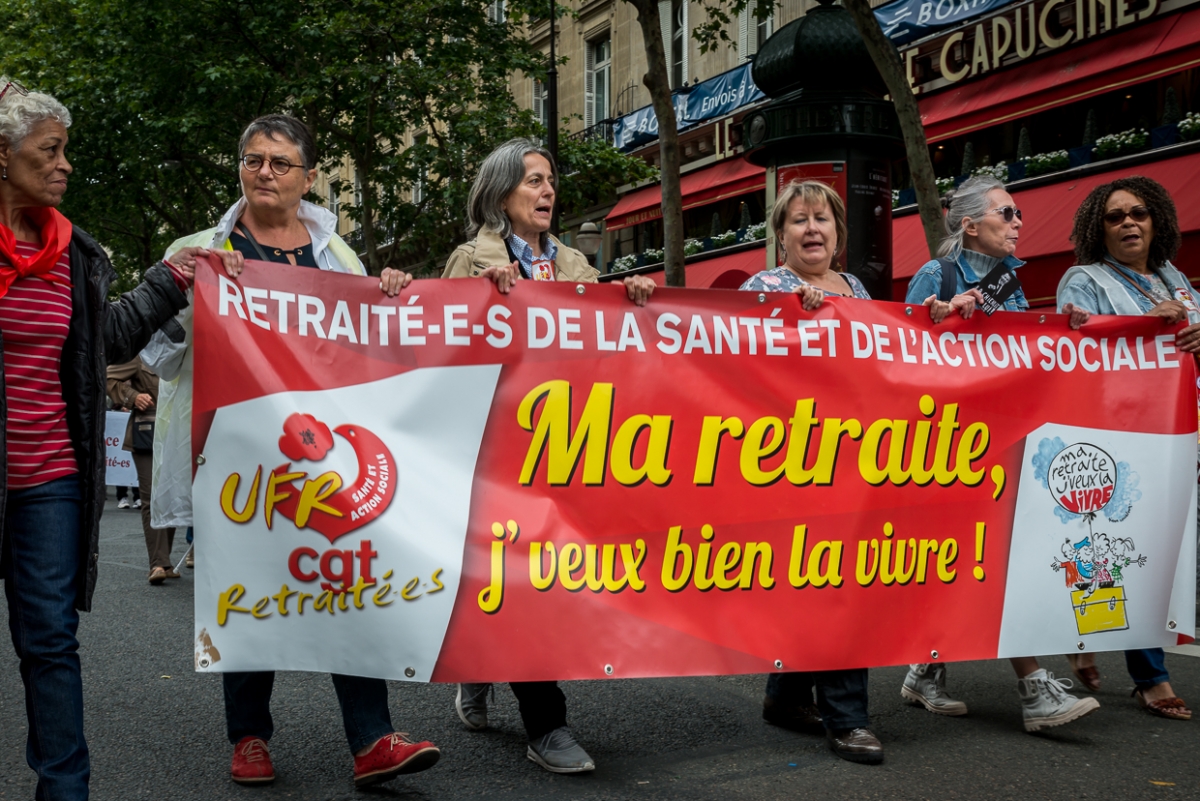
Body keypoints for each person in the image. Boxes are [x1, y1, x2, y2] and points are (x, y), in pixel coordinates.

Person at [141, 114, 441, 787]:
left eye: (280, 162)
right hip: (235, 454)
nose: (264, 172)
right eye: (252, 159)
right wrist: (188, 291)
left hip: (329, 456)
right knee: (248, 588)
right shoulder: (200, 247)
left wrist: (390, 291)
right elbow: (158, 355)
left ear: (309, 176)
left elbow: (376, 350)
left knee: (350, 583)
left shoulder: (340, 257)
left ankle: (372, 738)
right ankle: (248, 735)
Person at [0, 77, 220, 801]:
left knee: (51, 646)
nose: (64, 166)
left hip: (53, 481)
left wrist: (172, 277)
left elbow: (108, 339)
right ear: (4, 157)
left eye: (66, 152)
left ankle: (66, 790)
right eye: (50, 151)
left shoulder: (74, 253)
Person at [442, 137, 654, 774]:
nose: (546, 191)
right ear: (501, 192)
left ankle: (477, 664)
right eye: (533, 180)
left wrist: (633, 295)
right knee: (518, 582)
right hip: (496, 454)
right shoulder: (468, 259)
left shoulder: (573, 264)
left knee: (538, 583)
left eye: (550, 181)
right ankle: (547, 725)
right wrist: (484, 297)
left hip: (563, 453)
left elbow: (606, 337)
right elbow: (443, 352)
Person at [900, 176, 1094, 733]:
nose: (1017, 222)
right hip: (946, 447)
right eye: (1006, 213)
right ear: (969, 224)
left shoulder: (1012, 285)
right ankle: (1031, 686)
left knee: (992, 557)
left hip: (1005, 441)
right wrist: (939, 317)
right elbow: (897, 353)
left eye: (1018, 215)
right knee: (978, 557)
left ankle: (929, 669)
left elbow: (1023, 354)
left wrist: (1065, 327)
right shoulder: (936, 276)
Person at [742, 179, 885, 764]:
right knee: (828, 581)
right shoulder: (763, 288)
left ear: (838, 232)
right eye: (799, 220)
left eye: (821, 219)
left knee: (836, 579)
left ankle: (787, 695)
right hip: (790, 459)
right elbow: (733, 363)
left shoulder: (856, 288)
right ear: (781, 236)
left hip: (854, 456)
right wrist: (782, 320)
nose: (812, 229)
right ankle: (847, 717)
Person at [1056, 175, 1197, 722]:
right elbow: (1075, 342)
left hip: (1178, 433)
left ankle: (1078, 632)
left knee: (1159, 548)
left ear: (1157, 219)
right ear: (1100, 229)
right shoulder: (1082, 278)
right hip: (1114, 435)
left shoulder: (1174, 277)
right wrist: (1143, 325)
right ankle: (1151, 677)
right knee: (1120, 548)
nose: (1129, 223)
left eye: (1138, 212)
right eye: (1115, 217)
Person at [107, 357, 176, 583]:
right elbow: (109, 378)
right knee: (151, 495)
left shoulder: (182, 350)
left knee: (171, 497)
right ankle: (158, 563)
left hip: (178, 436)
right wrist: (134, 397)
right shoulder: (141, 353)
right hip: (147, 433)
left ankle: (165, 560)